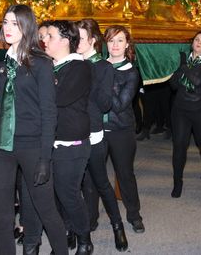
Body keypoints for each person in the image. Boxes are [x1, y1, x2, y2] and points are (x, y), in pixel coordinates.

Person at [0, 5, 67, 255]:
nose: (8, 28)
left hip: (32, 145)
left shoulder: (41, 64)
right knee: (1, 214)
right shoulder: (2, 60)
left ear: (27, 27)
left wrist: (45, 158)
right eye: (5, 23)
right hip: (0, 144)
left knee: (45, 208)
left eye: (15, 23)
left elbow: (49, 112)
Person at [41, 20, 93, 254]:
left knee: (68, 194)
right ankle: (66, 234)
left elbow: (58, 98)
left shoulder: (79, 67)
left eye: (50, 36)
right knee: (54, 194)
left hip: (70, 143)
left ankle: (84, 239)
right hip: (49, 141)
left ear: (65, 41)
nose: (44, 40)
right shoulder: (50, 66)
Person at [76, 19, 128, 251]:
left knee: (100, 183)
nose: (74, 42)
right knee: (74, 185)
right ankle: (78, 227)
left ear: (93, 41)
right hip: (70, 132)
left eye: (79, 38)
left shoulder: (103, 67)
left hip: (94, 131)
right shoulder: (71, 62)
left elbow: (106, 104)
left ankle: (118, 226)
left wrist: (88, 77)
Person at [103, 25, 144, 232]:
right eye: (111, 40)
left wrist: (104, 77)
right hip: (97, 130)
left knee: (125, 174)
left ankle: (134, 214)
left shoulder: (131, 72)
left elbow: (119, 105)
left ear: (127, 44)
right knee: (92, 176)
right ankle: (89, 217)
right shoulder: (99, 66)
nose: (115, 45)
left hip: (121, 130)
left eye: (120, 40)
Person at [169, 31, 201, 197]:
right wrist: (181, 69)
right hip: (180, 109)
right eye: (197, 40)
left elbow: (197, 82)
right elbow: (174, 85)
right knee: (179, 146)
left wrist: (184, 67)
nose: (199, 42)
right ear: (192, 43)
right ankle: (177, 182)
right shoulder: (187, 60)